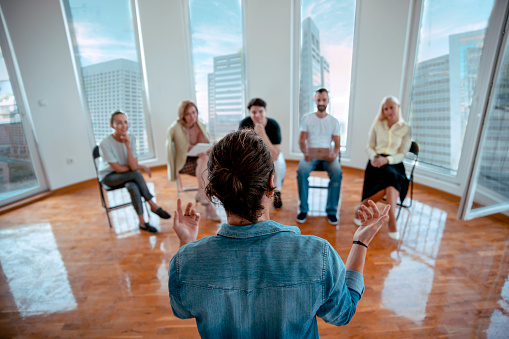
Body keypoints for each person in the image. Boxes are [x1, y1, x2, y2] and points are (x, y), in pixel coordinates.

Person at [168, 129, 390, 338]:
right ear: (272, 183)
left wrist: (187, 244)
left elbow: (182, 308)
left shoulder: (184, 262)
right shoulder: (318, 255)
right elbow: (343, 313)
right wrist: (361, 242)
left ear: (215, 190)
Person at [98, 110, 171, 233]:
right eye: (119, 122)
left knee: (133, 185)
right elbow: (117, 168)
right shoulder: (104, 143)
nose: (124, 125)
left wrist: (127, 146)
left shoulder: (131, 138)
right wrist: (139, 167)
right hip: (109, 177)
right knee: (136, 174)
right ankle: (153, 205)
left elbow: (132, 166)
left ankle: (142, 223)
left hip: (127, 175)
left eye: (125, 122)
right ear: (112, 125)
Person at [354, 96, 412, 240]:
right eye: (385, 109)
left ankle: (363, 207)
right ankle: (391, 220)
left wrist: (387, 160)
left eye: (391, 107)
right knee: (390, 180)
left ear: (398, 107)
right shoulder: (377, 125)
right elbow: (369, 147)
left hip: (394, 163)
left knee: (392, 176)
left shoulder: (406, 128)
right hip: (376, 162)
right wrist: (375, 157)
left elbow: (402, 153)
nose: (389, 111)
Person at [166, 100, 220, 221]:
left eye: (194, 112)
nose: (192, 116)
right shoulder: (175, 128)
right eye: (188, 114)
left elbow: (204, 144)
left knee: (204, 160)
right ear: (182, 115)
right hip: (183, 162)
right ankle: (206, 200)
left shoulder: (199, 125)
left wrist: (210, 147)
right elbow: (179, 149)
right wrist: (194, 150)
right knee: (206, 165)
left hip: (200, 160)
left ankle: (202, 195)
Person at [296, 88, 342, 225]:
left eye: (324, 100)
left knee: (337, 172)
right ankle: (304, 209)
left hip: (328, 157)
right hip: (311, 156)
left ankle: (331, 210)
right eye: (319, 99)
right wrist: (305, 153)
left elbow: (337, 144)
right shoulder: (307, 119)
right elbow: (301, 140)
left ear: (328, 101)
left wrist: (334, 154)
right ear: (315, 100)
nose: (321, 102)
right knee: (301, 171)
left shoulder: (334, 121)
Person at [239, 97, 286, 208]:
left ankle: (277, 191)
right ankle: (248, 195)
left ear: (265, 111)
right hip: (253, 154)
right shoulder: (245, 123)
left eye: (260, 111)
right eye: (253, 112)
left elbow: (275, 155)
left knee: (278, 165)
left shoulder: (273, 125)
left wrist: (262, 134)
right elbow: (242, 149)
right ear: (249, 113)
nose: (257, 115)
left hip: (271, 153)